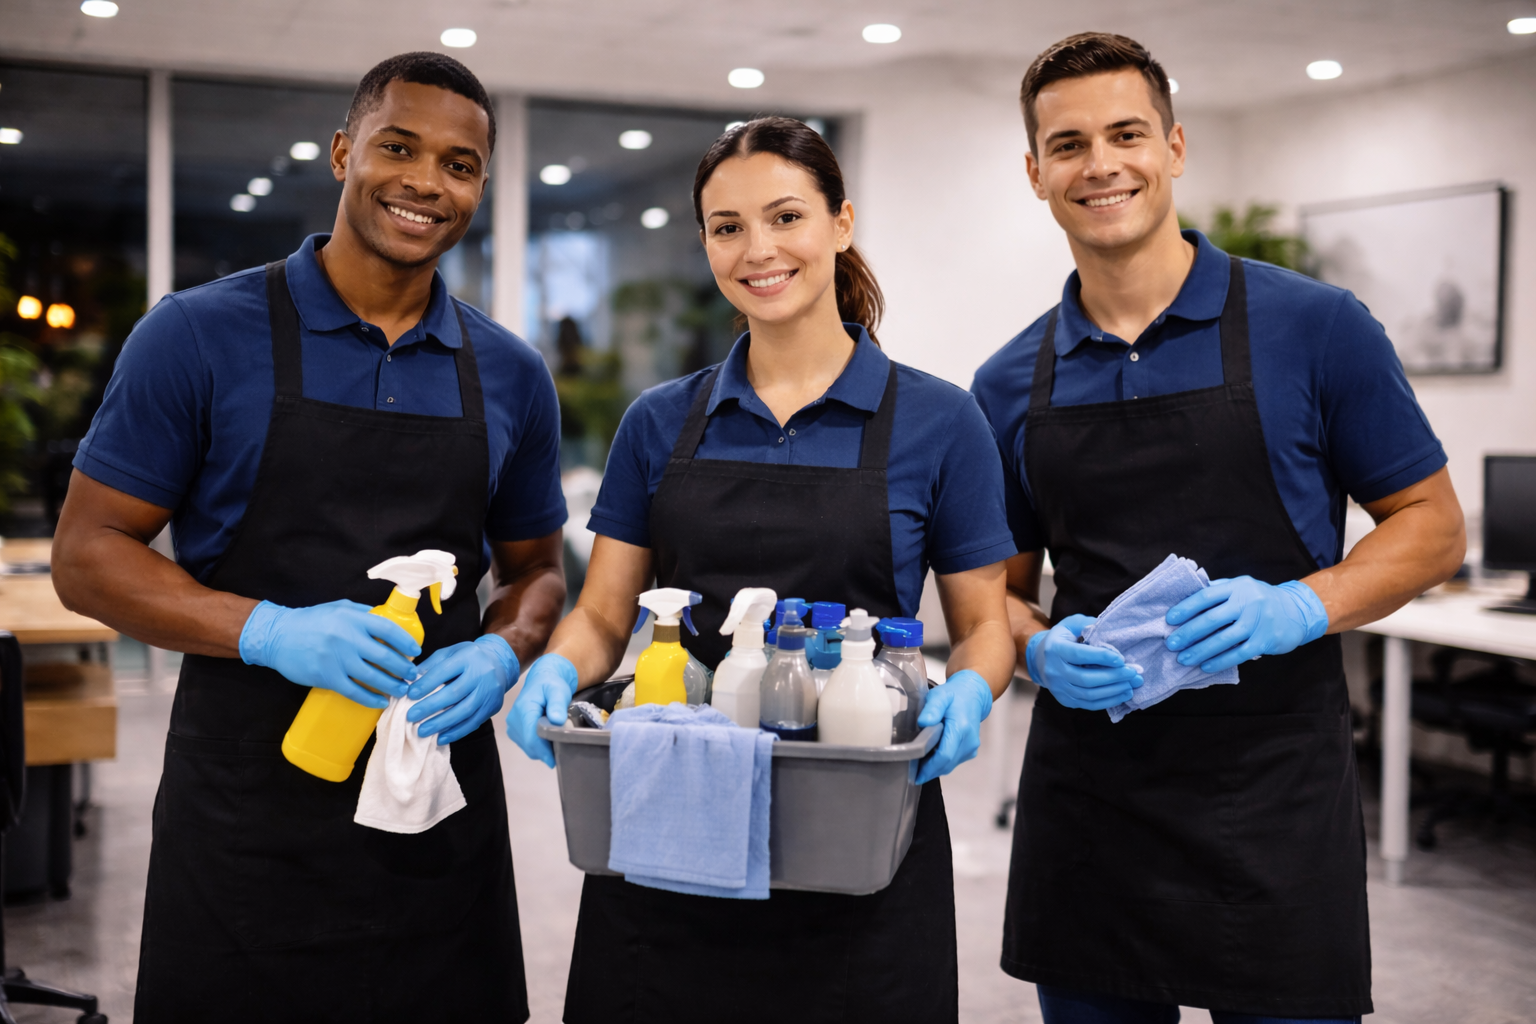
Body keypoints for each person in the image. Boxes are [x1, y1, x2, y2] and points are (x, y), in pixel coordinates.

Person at [50, 52, 567, 1022]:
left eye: (459, 164)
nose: (426, 181)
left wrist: (504, 650)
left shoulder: (510, 373)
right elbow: (87, 554)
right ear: (342, 152)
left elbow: (538, 571)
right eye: (398, 147)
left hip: (436, 815)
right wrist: (268, 631)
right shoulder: (198, 336)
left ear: (481, 188)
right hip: (244, 823)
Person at [970, 33, 1467, 1024]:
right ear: (1035, 173)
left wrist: (1301, 605)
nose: (1100, 163)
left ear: (1176, 146)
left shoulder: (1316, 328)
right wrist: (1036, 648)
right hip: (1091, 809)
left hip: (1272, 801)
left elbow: (1433, 526)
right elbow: (992, 589)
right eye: (1067, 144)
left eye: (1126, 133)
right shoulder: (1008, 382)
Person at [505, 116, 1017, 1023]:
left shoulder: (940, 423)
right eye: (727, 226)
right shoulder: (660, 421)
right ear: (704, 241)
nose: (758, 250)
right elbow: (603, 614)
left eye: (786, 217)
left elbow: (983, 624)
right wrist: (555, 665)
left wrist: (971, 691)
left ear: (841, 223)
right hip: (674, 803)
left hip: (855, 819)